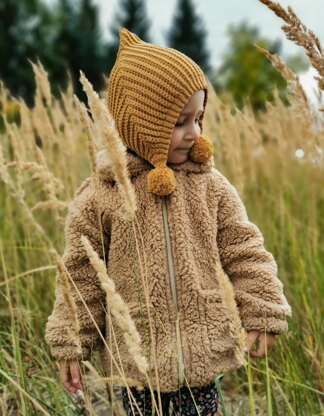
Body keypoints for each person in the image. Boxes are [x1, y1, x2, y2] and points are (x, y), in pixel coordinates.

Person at [45, 28, 292, 415]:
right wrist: (71, 340)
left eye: (199, 117)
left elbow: (245, 249)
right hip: (139, 360)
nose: (194, 133)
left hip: (202, 355)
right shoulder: (101, 194)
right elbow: (81, 275)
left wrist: (262, 309)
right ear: (140, 126)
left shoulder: (210, 186)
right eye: (180, 122)